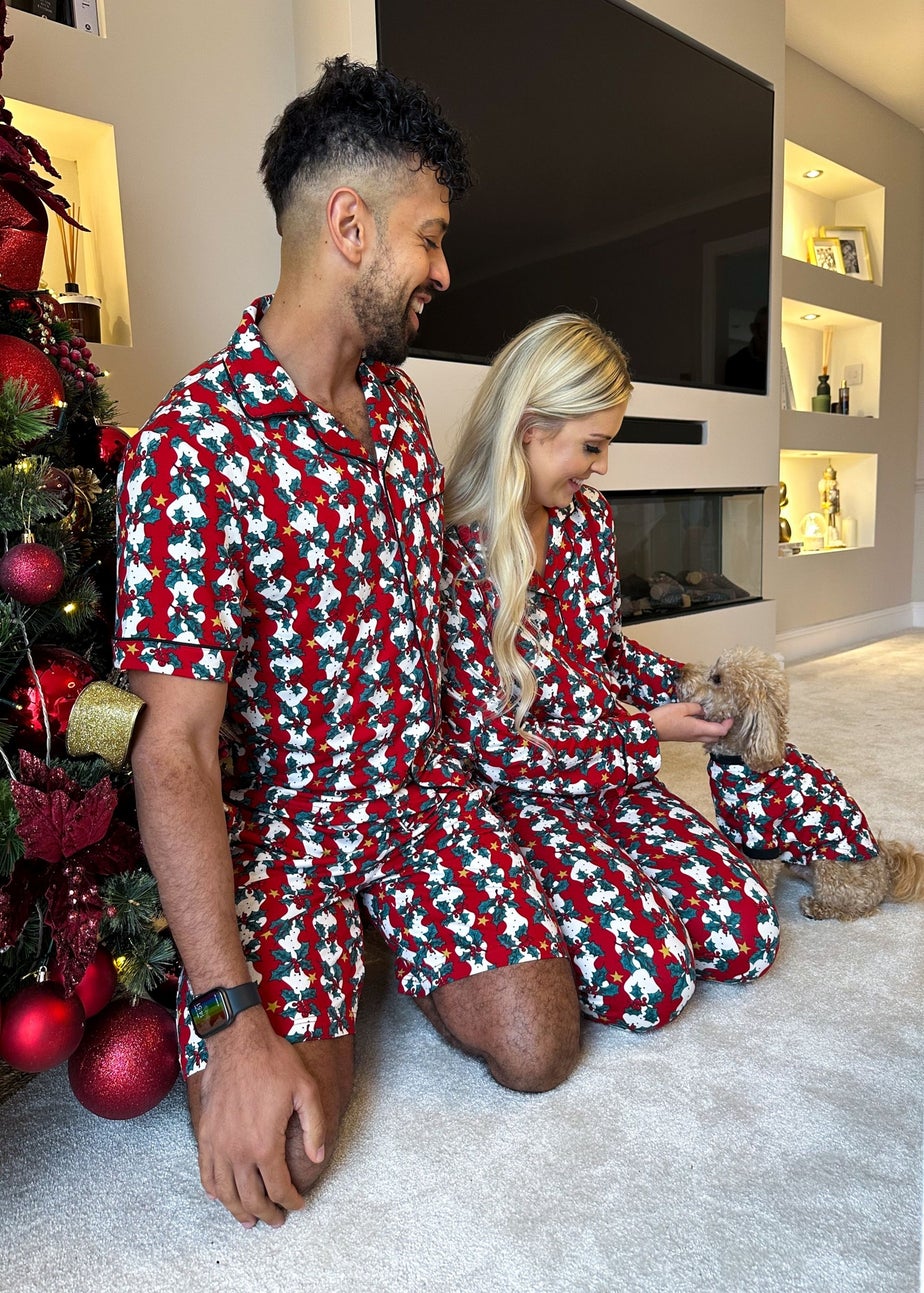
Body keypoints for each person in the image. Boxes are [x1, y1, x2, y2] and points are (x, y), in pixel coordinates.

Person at [114, 59, 579, 1231]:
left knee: (539, 1047)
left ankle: (390, 943)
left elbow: (444, 626)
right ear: (351, 225)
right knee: (284, 1155)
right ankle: (327, 956)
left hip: (418, 794)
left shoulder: (405, 410)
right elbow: (174, 746)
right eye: (430, 239)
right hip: (293, 825)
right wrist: (230, 1010)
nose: (443, 270)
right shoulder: (194, 448)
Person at [439, 313, 780, 1032]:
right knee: (648, 984)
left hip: (613, 770)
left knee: (746, 933)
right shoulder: (453, 552)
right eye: (592, 445)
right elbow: (491, 748)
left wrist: (692, 683)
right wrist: (645, 732)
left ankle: (626, 896)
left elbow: (607, 651)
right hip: (522, 797)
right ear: (530, 426)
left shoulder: (587, 520)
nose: (601, 466)